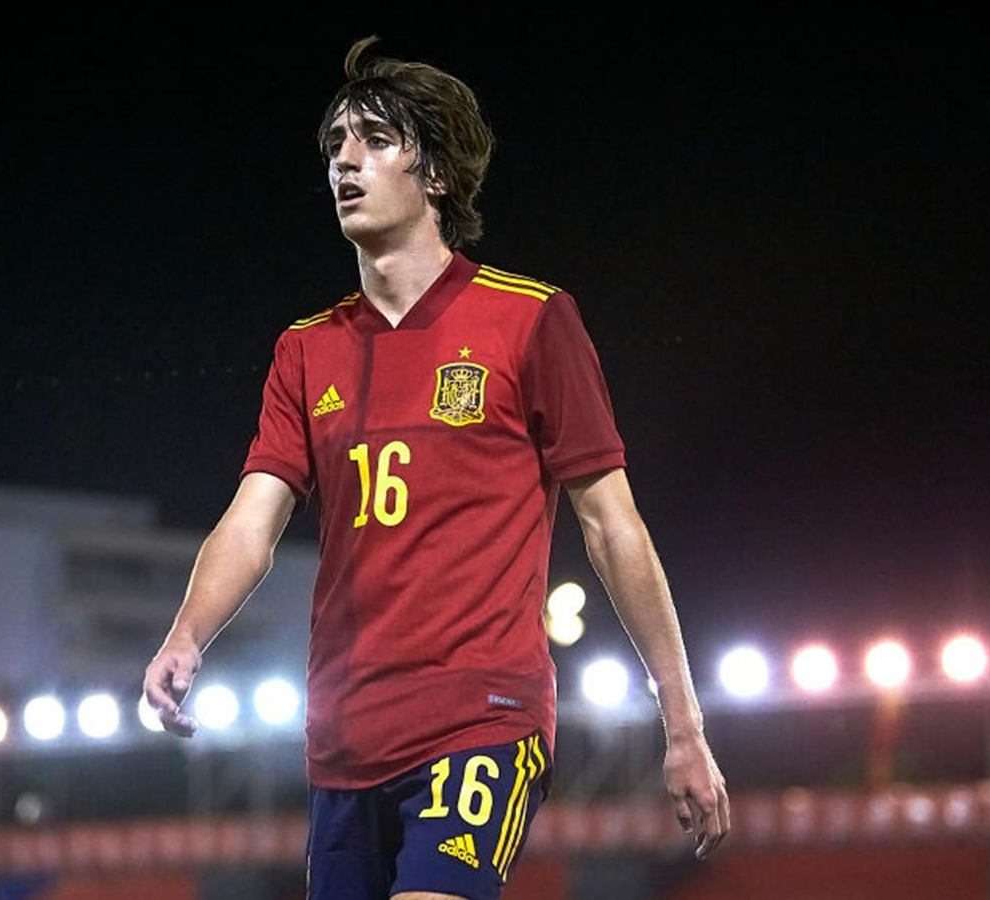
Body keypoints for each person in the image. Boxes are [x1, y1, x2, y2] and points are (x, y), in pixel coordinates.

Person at [144, 36, 728, 900]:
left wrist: (682, 722)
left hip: (482, 719)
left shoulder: (531, 320)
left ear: (440, 175)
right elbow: (252, 522)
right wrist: (187, 635)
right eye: (335, 144)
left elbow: (612, 527)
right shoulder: (305, 350)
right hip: (342, 742)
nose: (344, 161)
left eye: (375, 140)